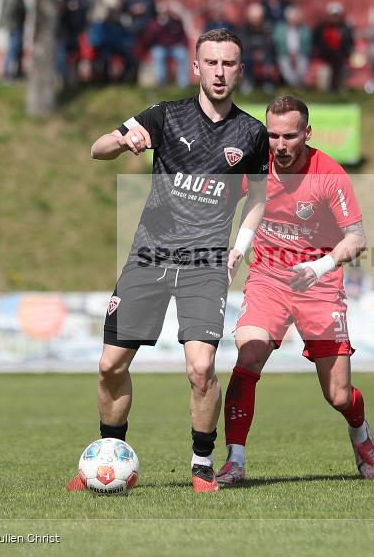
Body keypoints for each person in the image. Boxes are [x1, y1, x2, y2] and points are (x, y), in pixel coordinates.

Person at [70, 28, 269, 493]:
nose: (219, 72)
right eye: (211, 62)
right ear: (196, 66)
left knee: (201, 368)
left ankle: (201, 466)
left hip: (205, 263)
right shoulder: (164, 115)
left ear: (240, 70)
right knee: (110, 365)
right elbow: (97, 149)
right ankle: (109, 456)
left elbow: (258, 197)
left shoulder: (252, 133)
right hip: (149, 255)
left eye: (228, 63)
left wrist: (239, 247)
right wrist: (124, 141)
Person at [216, 95, 374, 486]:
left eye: (289, 136)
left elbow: (357, 238)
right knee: (248, 356)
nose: (279, 145)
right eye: (272, 135)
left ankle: (360, 432)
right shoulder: (257, 163)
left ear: (307, 133)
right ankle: (235, 460)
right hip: (268, 278)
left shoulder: (329, 173)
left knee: (338, 395)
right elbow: (218, 201)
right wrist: (232, 250)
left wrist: (319, 267)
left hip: (319, 285)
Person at [142, 2, 189, 88]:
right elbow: (148, 39)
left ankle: (183, 84)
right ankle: (161, 83)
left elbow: (182, 35)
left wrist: (185, 46)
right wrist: (160, 25)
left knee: (182, 54)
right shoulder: (154, 23)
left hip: (174, 47)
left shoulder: (176, 22)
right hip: (160, 47)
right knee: (158, 55)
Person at [312, 2, 354, 92]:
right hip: (325, 56)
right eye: (332, 15)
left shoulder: (345, 28)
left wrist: (346, 55)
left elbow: (349, 44)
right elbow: (316, 42)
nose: (334, 18)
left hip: (340, 56)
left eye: (336, 15)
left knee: (339, 67)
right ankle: (330, 88)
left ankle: (336, 88)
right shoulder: (321, 28)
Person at [57, 0, 90, 88]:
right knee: (62, 57)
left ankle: (74, 81)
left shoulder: (84, 1)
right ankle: (63, 79)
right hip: (65, 34)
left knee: (77, 58)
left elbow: (85, 18)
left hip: (78, 35)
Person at [0, 0, 26, 82]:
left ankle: (16, 73)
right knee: (13, 50)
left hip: (16, 24)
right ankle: (7, 75)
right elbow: (12, 8)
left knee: (17, 49)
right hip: (15, 25)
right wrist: (12, 23)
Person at [274, 6, 311, 88]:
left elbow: (307, 45)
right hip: (284, 54)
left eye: (295, 17)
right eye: (292, 17)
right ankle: (293, 85)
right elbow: (278, 44)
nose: (294, 19)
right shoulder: (280, 29)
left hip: (300, 54)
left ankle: (297, 84)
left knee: (302, 64)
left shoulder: (304, 29)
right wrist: (289, 54)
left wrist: (296, 54)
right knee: (285, 64)